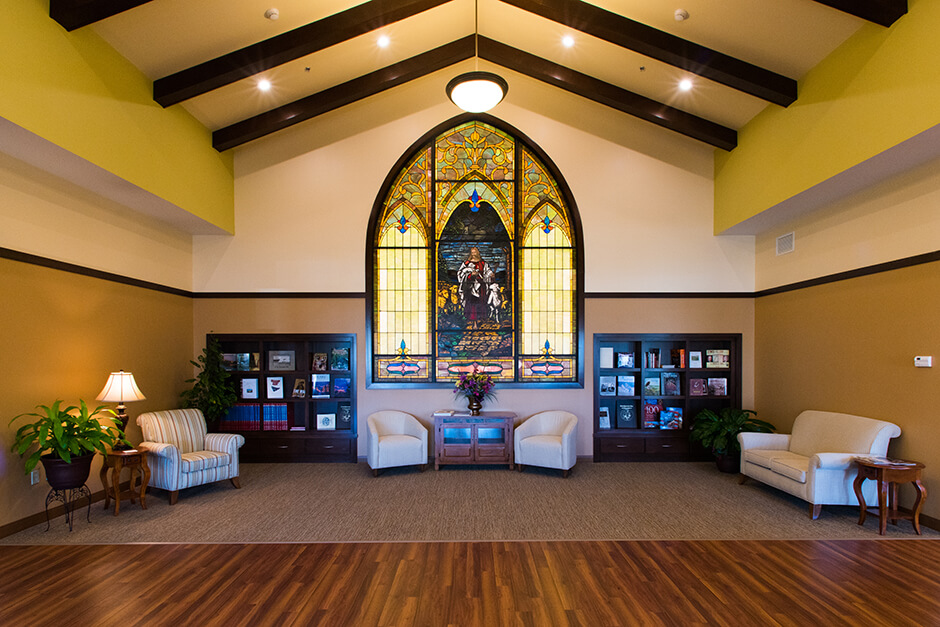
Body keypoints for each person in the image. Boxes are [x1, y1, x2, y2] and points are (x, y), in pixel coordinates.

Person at [457, 246, 495, 328]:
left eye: (475, 252)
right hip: (471, 288)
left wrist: (490, 274)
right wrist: (470, 275)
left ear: (478, 253)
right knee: (473, 305)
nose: (474, 254)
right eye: (472, 252)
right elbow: (460, 274)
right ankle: (474, 323)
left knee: (481, 303)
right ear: (470, 253)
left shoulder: (483, 263)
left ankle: (481, 319)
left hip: (481, 287)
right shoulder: (466, 264)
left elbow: (487, 271)